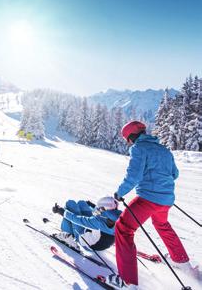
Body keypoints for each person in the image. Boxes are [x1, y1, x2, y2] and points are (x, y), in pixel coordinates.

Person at [107, 121, 193, 289]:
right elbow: (174, 174)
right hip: (166, 200)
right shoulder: (164, 150)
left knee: (123, 228)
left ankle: (127, 281)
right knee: (162, 224)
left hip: (148, 198)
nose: (128, 143)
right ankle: (182, 263)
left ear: (132, 137)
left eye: (127, 139)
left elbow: (134, 176)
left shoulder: (138, 149)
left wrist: (118, 194)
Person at [52, 196, 122, 251]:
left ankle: (67, 235)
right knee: (81, 203)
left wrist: (61, 211)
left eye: (99, 209)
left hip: (88, 244)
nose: (98, 210)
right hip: (102, 243)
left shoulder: (98, 221)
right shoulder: (120, 217)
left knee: (70, 204)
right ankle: (70, 231)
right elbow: (105, 212)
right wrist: (92, 205)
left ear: (103, 209)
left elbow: (77, 219)